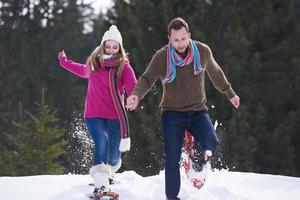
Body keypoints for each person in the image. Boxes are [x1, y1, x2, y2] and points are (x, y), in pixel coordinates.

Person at [126, 17, 240, 200]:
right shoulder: (162, 56)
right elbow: (147, 78)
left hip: (198, 111)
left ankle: (194, 150)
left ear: (189, 35)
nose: (180, 44)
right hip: (172, 114)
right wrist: (136, 95)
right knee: (172, 158)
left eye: (183, 39)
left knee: (211, 142)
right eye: (176, 40)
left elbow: (216, 73)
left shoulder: (202, 51)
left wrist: (230, 93)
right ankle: (172, 197)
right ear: (169, 39)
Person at [58, 25, 137, 194]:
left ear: (120, 48)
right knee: (102, 141)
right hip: (93, 115)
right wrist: (64, 62)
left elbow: (133, 87)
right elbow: (80, 70)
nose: (111, 50)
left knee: (114, 155)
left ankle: (109, 172)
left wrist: (132, 99)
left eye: (115, 47)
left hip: (115, 116)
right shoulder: (94, 64)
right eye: (108, 46)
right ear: (102, 46)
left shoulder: (123, 67)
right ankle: (100, 183)